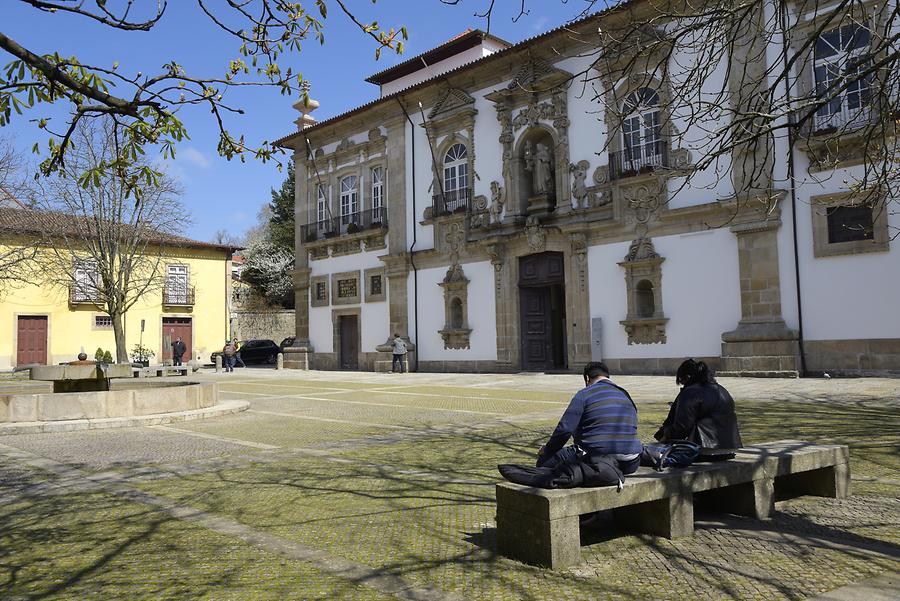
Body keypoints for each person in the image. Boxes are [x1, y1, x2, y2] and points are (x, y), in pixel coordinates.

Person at [537, 361, 642, 475]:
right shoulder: (625, 394)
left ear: (587, 378)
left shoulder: (584, 394)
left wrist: (547, 449)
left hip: (595, 458)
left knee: (544, 461)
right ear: (607, 376)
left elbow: (565, 429)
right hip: (631, 462)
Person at [651, 358, 743, 462]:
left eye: (681, 381)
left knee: (652, 454)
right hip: (730, 449)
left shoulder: (690, 393)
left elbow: (682, 428)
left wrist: (666, 434)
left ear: (687, 377)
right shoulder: (721, 389)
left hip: (705, 450)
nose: (682, 386)